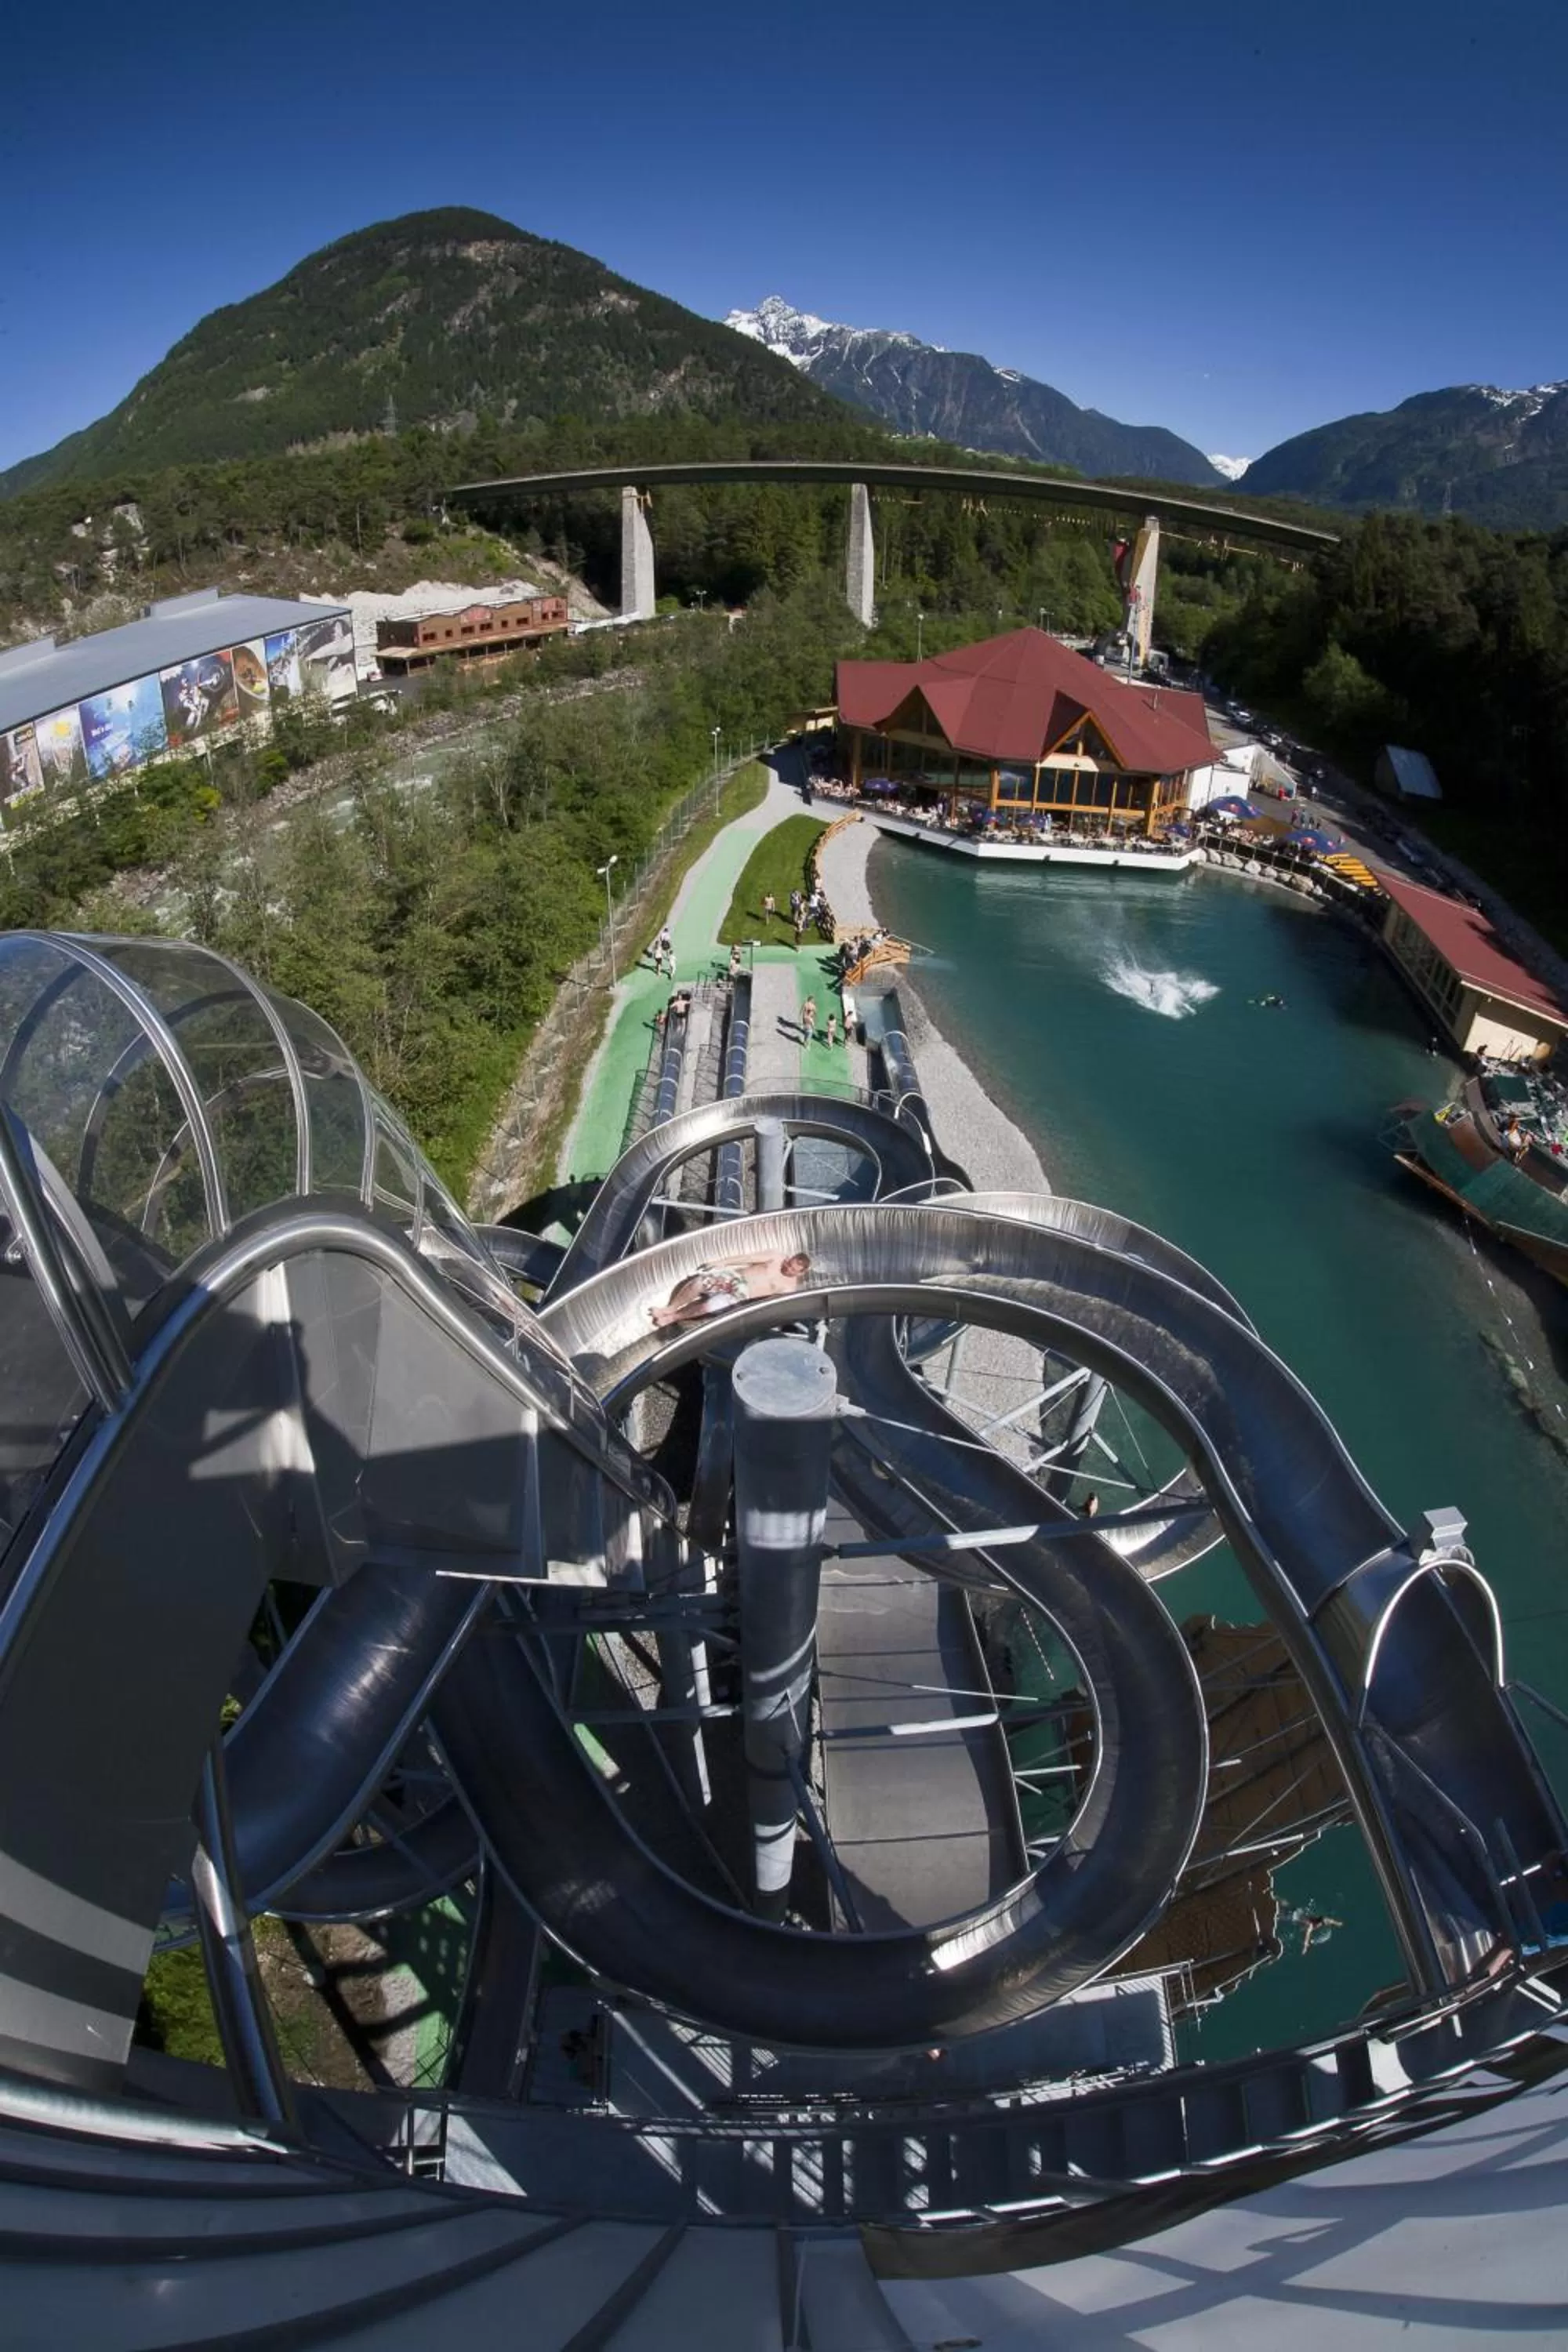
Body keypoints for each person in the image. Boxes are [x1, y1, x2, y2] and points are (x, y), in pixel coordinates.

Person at [650, 1250, 813, 1329]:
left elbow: (768, 1304)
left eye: (793, 1270)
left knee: (708, 1307)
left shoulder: (788, 1288)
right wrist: (723, 1262)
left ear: (801, 1273)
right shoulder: (776, 1257)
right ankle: (670, 1308)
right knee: (698, 1283)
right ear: (789, 1258)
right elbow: (748, 1258)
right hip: (735, 1278)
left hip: (743, 1295)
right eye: (789, 1264)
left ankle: (674, 1317)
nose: (787, 1269)